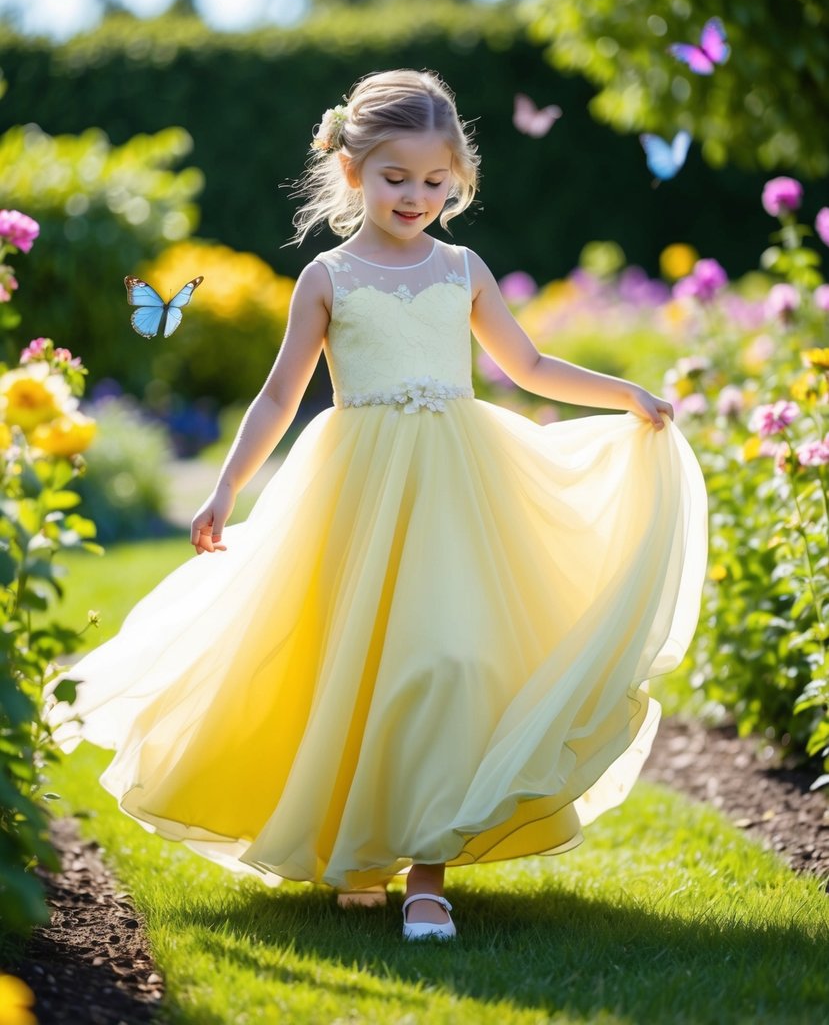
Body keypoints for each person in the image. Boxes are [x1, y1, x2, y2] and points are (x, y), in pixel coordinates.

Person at [46, 69, 708, 943]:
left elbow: (528, 367)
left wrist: (621, 393)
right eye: (397, 177)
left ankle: (427, 875)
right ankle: (358, 852)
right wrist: (226, 485)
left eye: (437, 182)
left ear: (457, 181)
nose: (417, 197)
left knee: (449, 663)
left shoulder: (460, 269)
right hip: (355, 490)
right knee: (350, 667)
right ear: (353, 169)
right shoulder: (328, 277)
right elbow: (279, 396)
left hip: (458, 486)